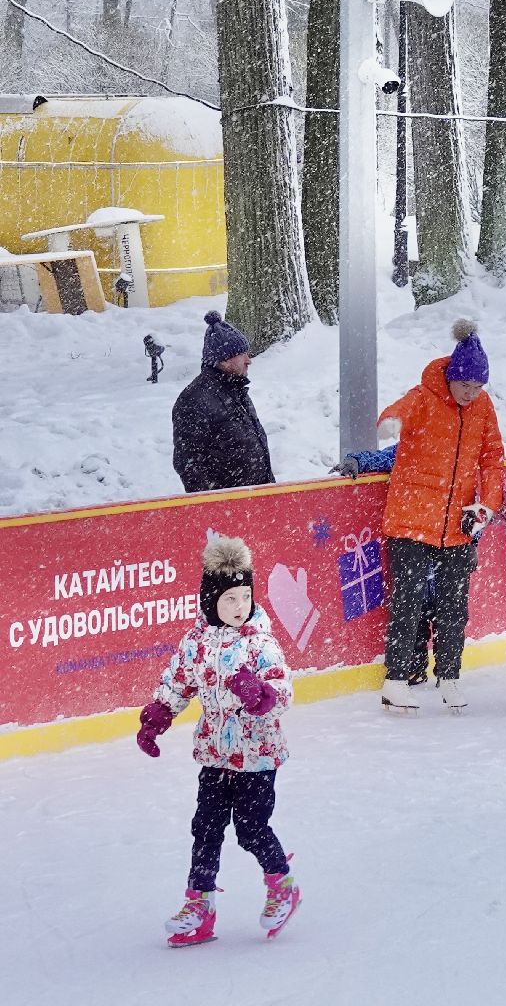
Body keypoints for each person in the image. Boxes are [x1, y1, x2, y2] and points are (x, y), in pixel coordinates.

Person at [134, 536, 300, 947]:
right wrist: (158, 715)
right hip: (214, 754)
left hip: (257, 756)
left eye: (245, 596)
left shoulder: (259, 642)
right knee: (205, 829)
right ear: (210, 601)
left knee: (250, 829)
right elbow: (178, 682)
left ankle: (283, 885)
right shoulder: (195, 643)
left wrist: (261, 693)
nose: (239, 606)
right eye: (229, 599)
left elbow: (284, 690)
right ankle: (200, 905)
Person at [369, 319, 505, 714]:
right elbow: (399, 410)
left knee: (453, 605)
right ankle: (395, 680)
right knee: (407, 602)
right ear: (451, 377)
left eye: (479, 387)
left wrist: (486, 507)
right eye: (466, 386)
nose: (471, 393)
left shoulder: (482, 407)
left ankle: (450, 676)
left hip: (458, 522)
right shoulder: (425, 396)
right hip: (412, 518)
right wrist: (391, 423)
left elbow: (492, 459)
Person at [171, 311, 275, 492]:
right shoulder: (194, 400)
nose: (248, 360)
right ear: (224, 360)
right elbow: (189, 464)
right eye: (242, 354)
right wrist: (217, 506)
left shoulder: (236, 389)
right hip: (230, 507)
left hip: (257, 499)